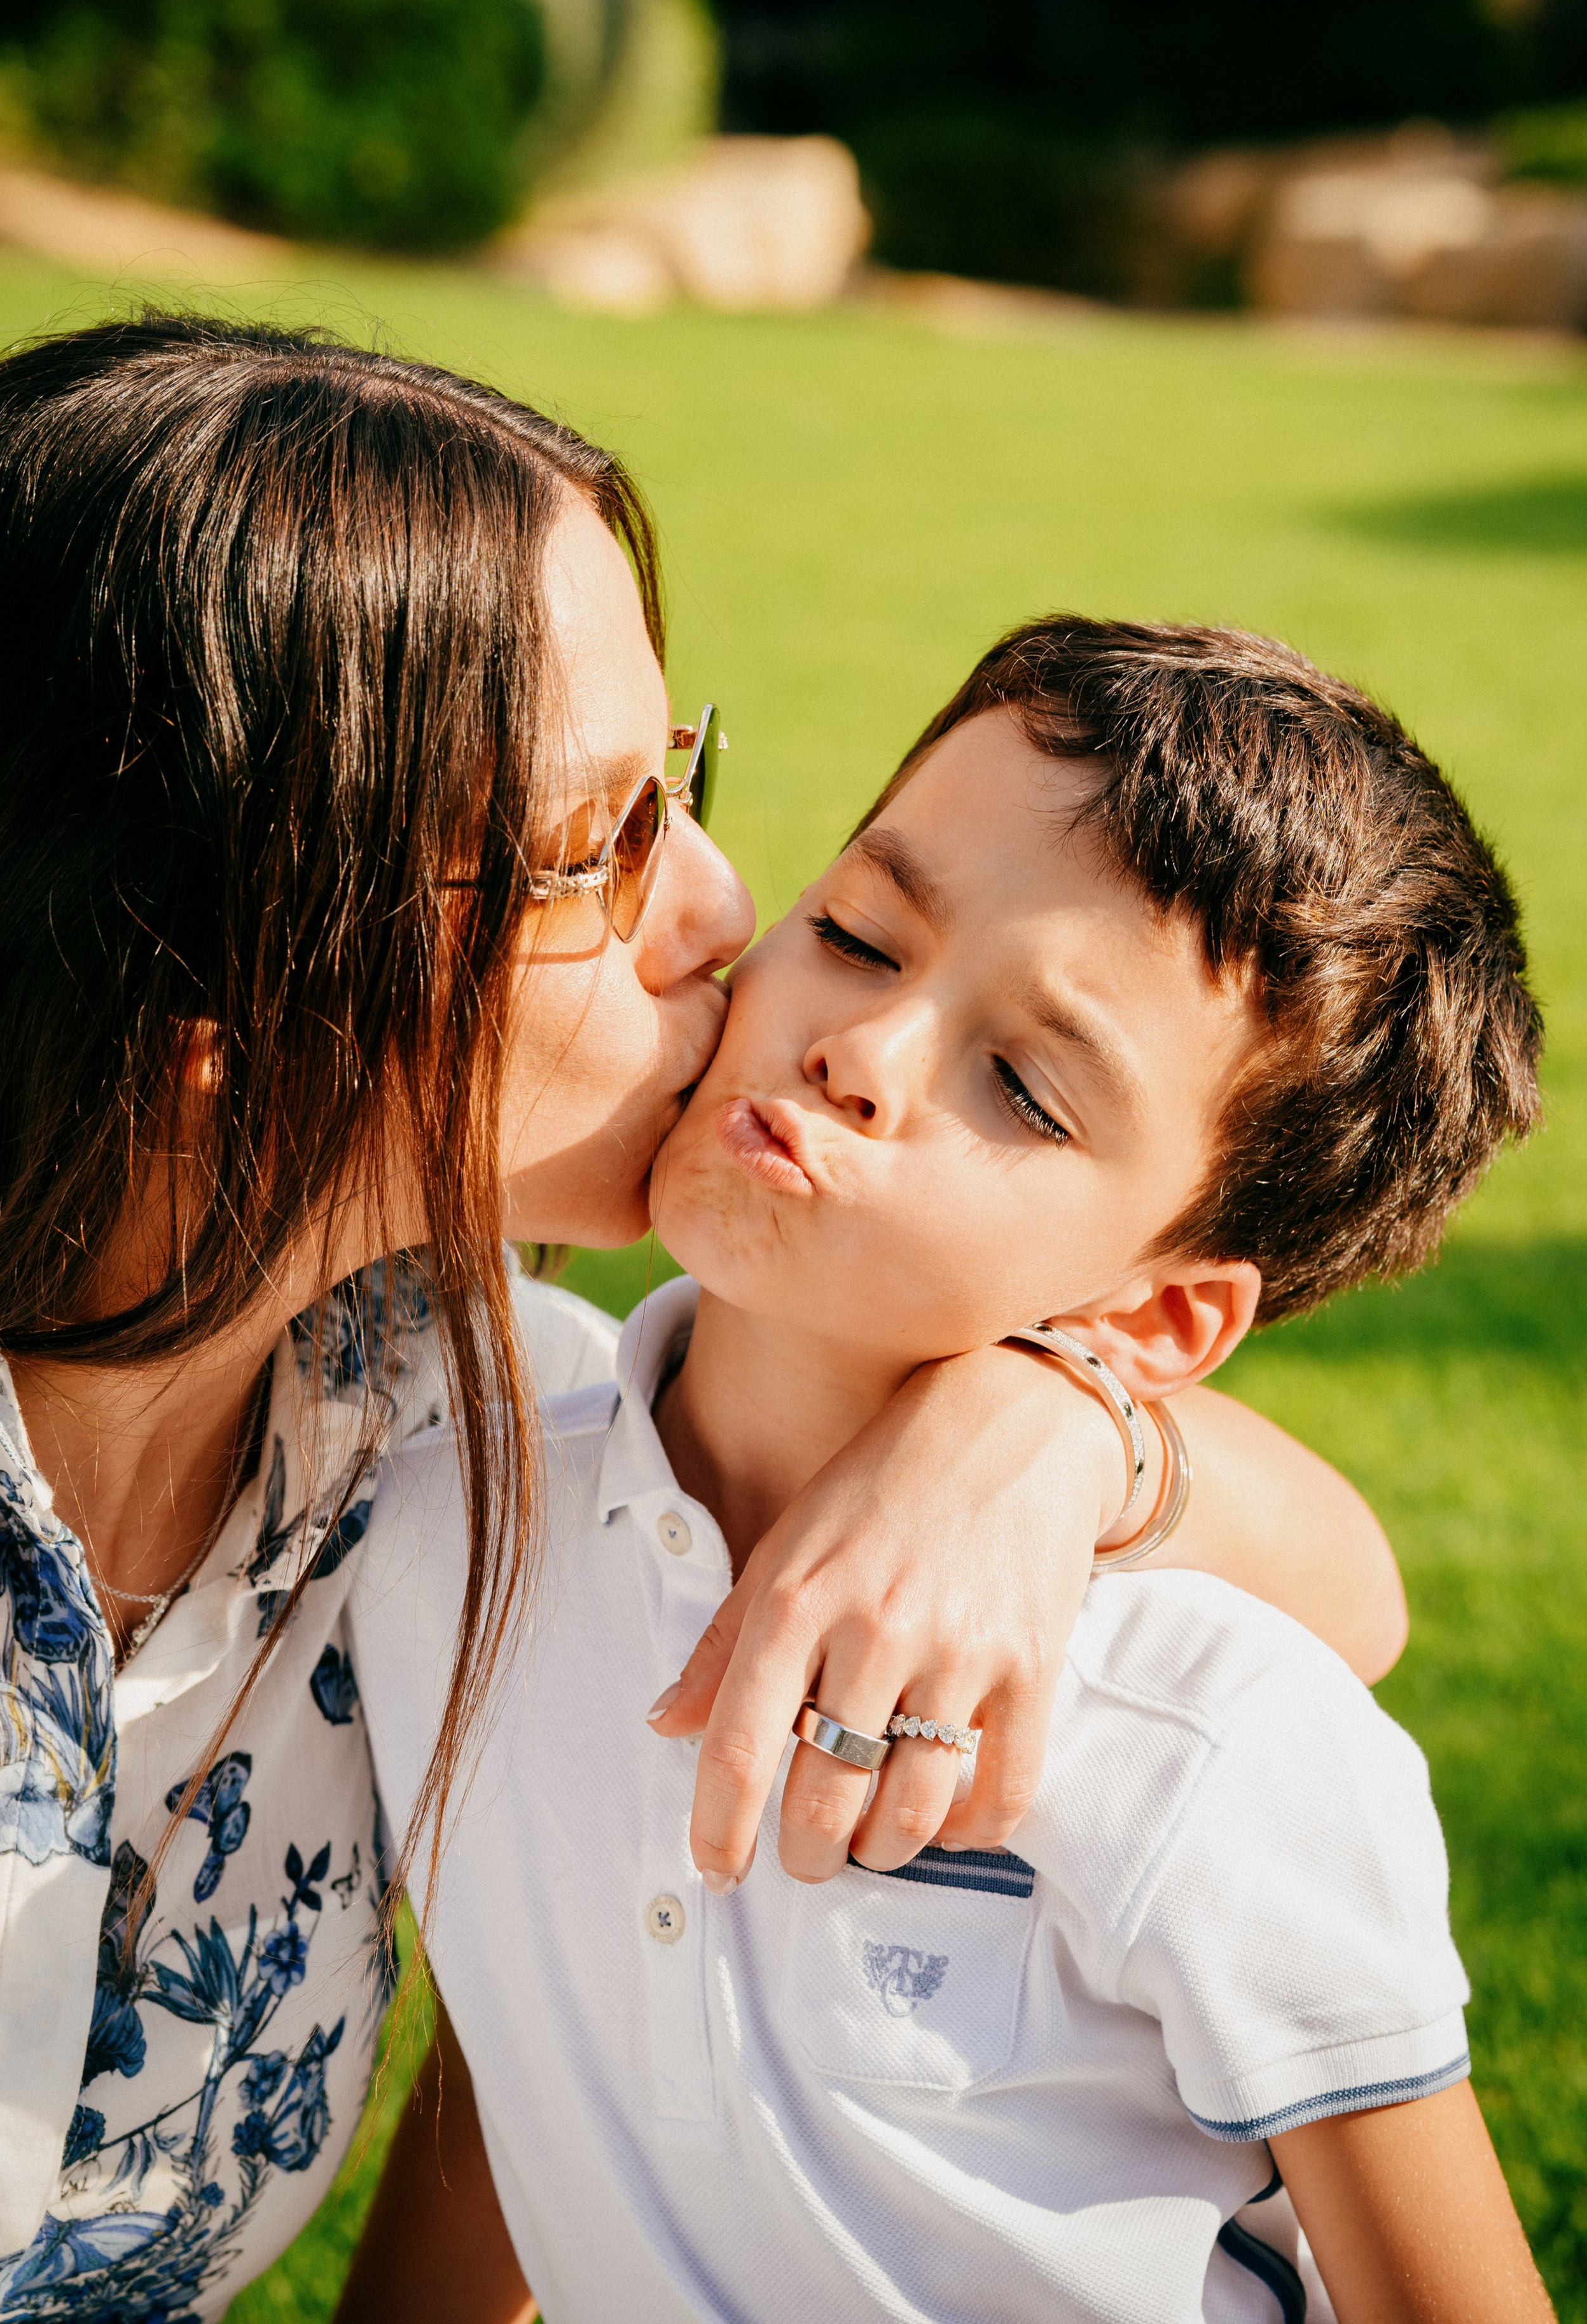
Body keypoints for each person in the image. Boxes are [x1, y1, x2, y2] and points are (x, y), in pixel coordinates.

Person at [0, 319, 1401, 2319]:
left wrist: (1043, 1432)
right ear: (212, 1011)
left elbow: (1349, 1583)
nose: (726, 907)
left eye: (683, 781)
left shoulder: (426, 1415)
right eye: (598, 845)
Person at [347, 617, 1550, 2324]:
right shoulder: (451, 1514)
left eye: (1025, 1086)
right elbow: (532, 2023)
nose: (864, 1053)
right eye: (852, 931)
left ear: (1162, 1311)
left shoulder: (1208, 1738)